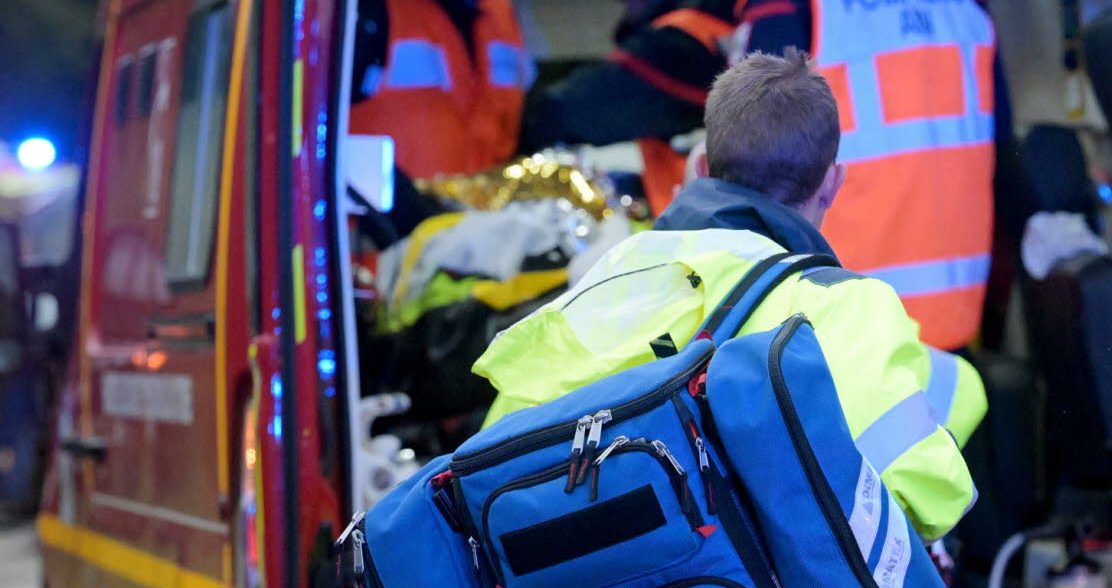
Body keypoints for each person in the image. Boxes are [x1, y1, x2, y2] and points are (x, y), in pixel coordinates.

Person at [476, 49, 981, 541]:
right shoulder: (843, 307)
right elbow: (927, 497)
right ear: (832, 183)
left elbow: (490, 478)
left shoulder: (603, 283)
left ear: (700, 170)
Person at [522, 0, 999, 352]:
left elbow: (752, 174)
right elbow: (1001, 177)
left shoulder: (781, 12)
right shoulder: (968, 14)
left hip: (834, 328)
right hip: (952, 327)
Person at [350, 0, 534, 235]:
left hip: (483, 252)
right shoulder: (365, 13)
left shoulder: (502, 15)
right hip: (380, 259)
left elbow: (512, 134)